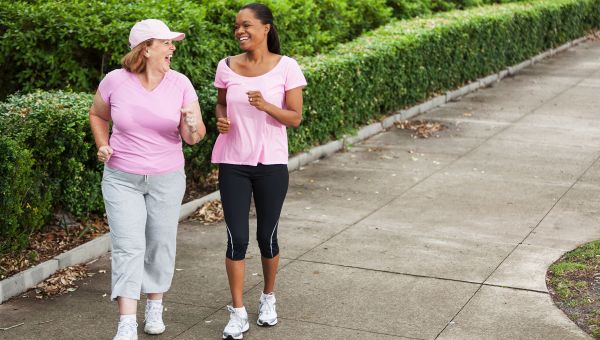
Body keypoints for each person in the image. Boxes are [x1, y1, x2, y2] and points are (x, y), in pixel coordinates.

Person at [88, 19, 206, 340]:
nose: (173, 47)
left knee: (160, 243)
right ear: (146, 48)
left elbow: (194, 137)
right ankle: (126, 322)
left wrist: (192, 124)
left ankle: (155, 305)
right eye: (166, 43)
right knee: (128, 245)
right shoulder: (115, 81)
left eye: (171, 43)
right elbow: (98, 114)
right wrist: (102, 143)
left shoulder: (180, 83)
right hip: (121, 177)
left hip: (166, 178)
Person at [211, 3, 307, 339]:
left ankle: (268, 298)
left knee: (267, 236)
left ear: (266, 28)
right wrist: (220, 119)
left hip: (271, 164)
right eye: (237, 26)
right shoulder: (226, 67)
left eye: (247, 25)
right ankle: (237, 312)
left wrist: (266, 105)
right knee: (236, 239)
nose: (240, 31)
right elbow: (221, 102)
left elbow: (295, 118)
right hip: (233, 162)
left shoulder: (287, 67)